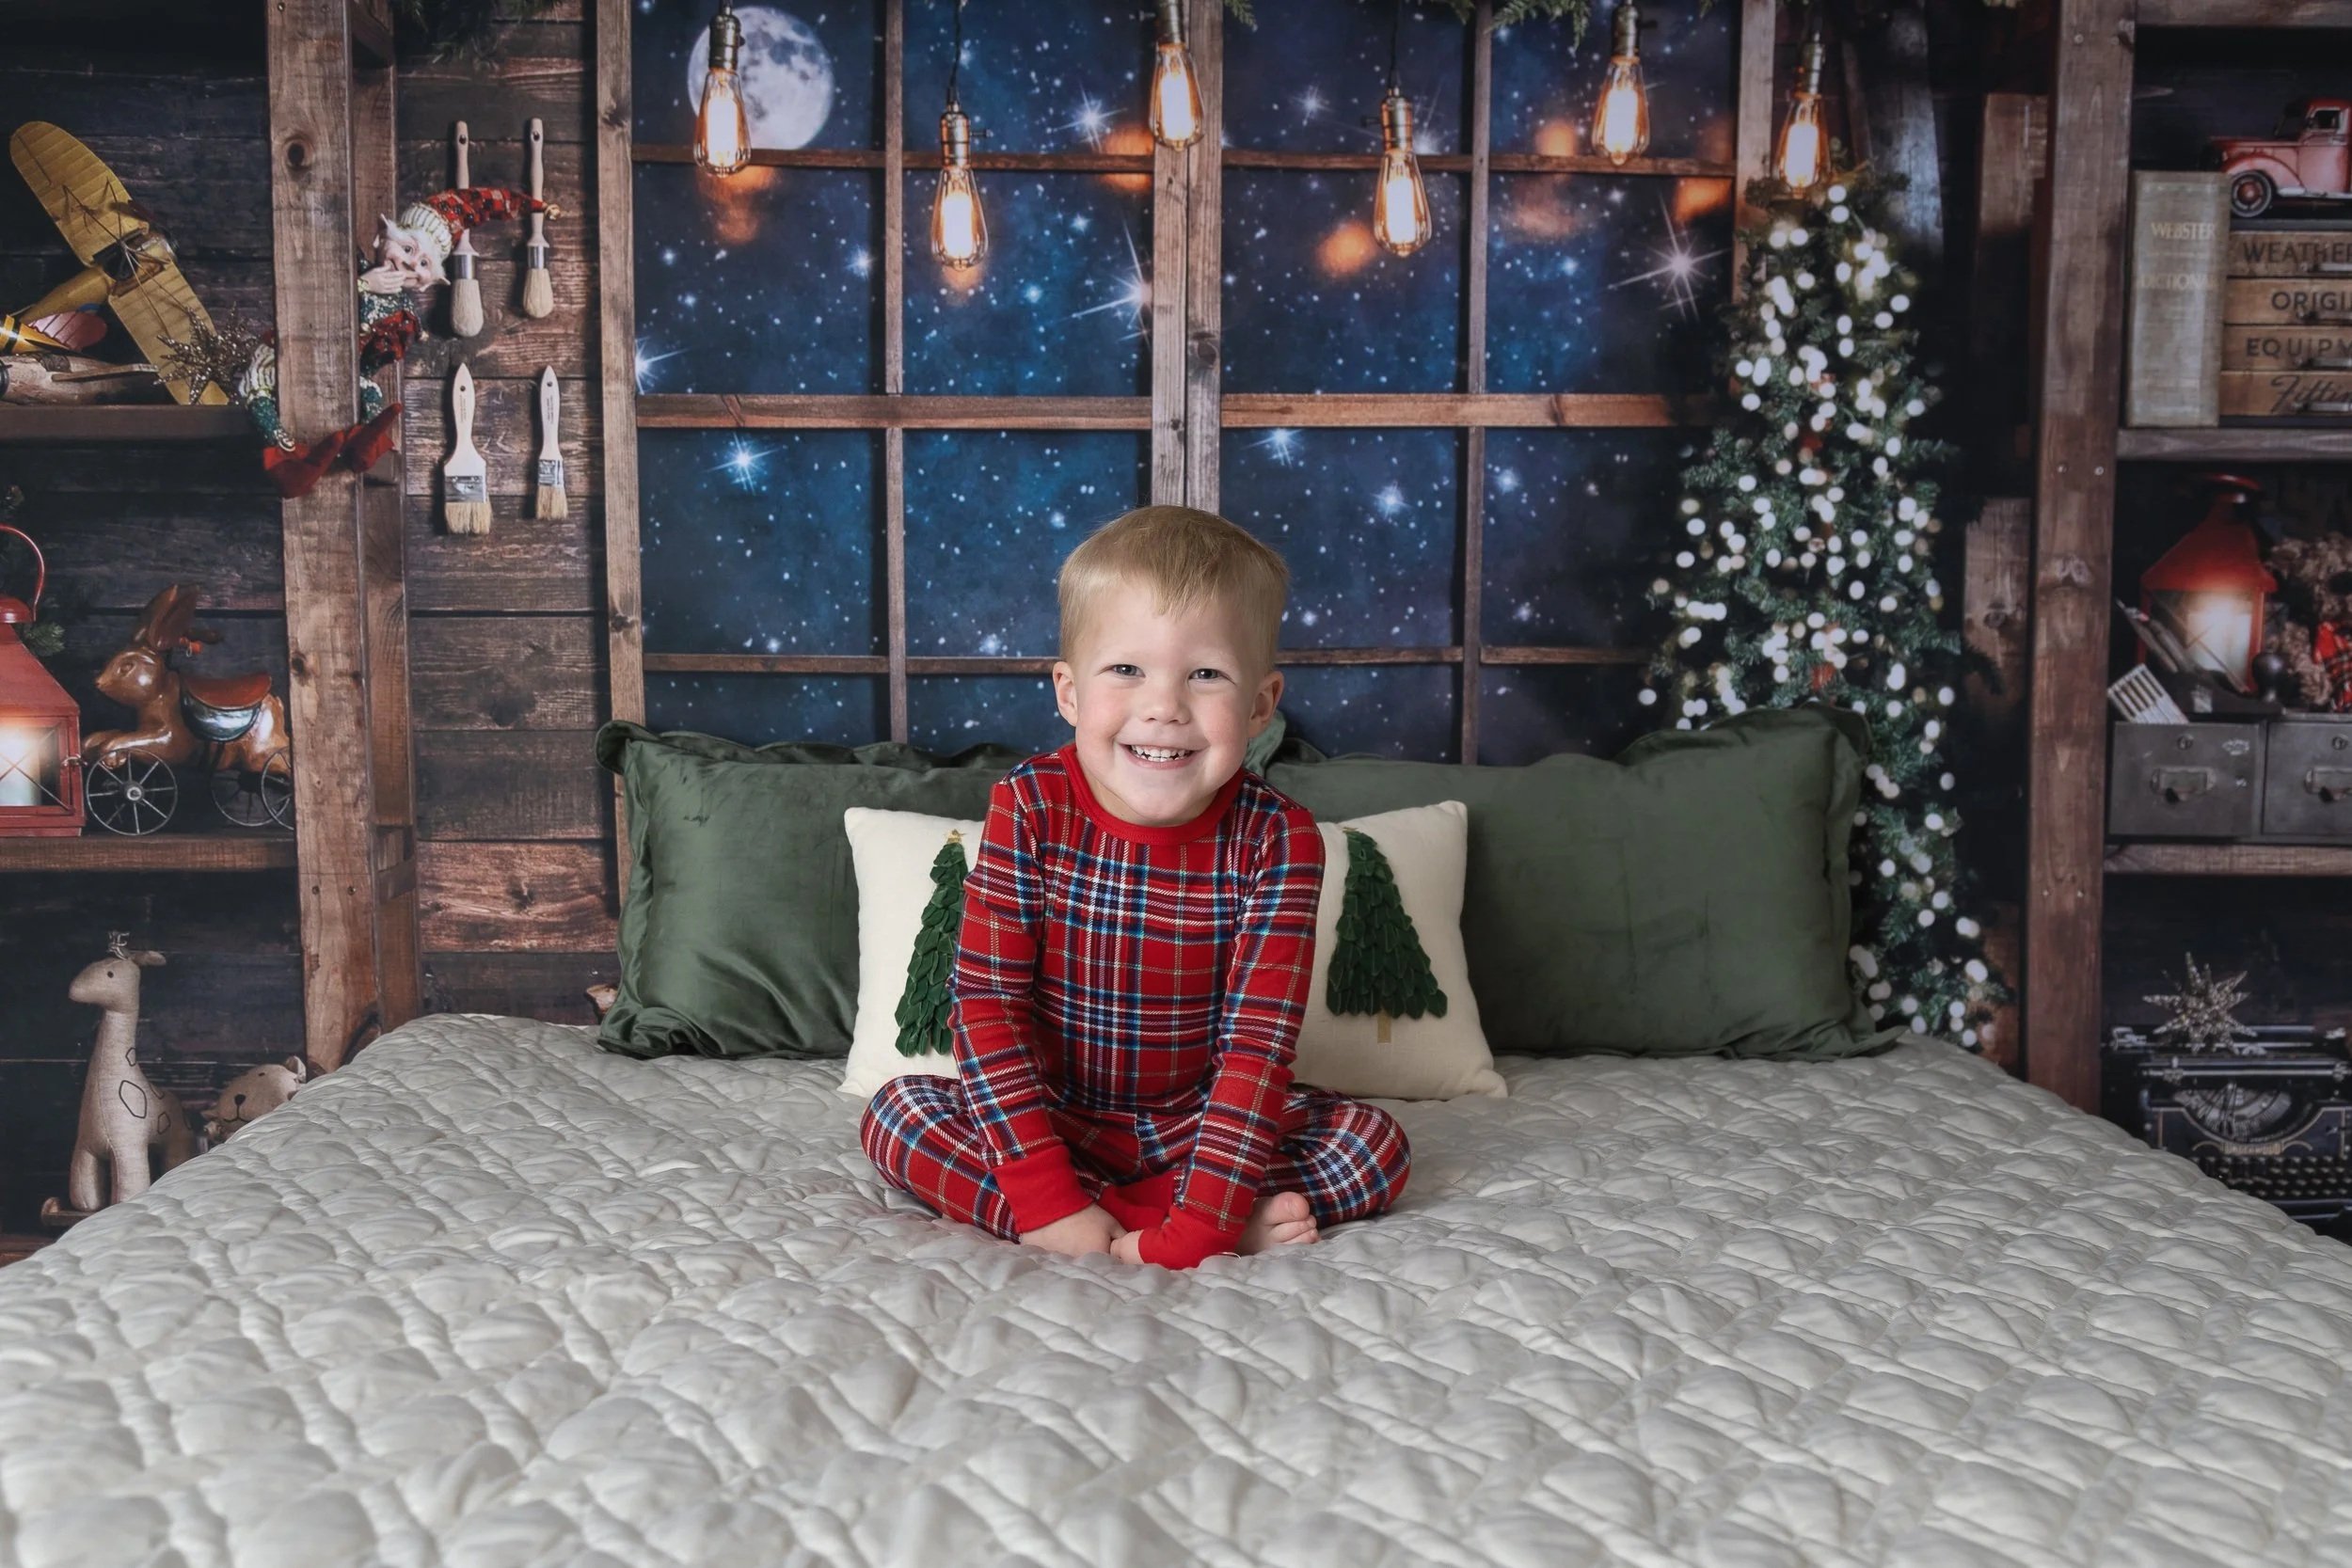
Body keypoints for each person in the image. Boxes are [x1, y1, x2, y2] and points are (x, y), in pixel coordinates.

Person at [862, 505, 1411, 1270]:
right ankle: (1076, 1215)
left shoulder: (1278, 839)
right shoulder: (1029, 807)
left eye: (1206, 674)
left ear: (1259, 706)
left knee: (1375, 1147)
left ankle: (1172, 1213)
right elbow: (987, 1011)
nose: (1164, 705)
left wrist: (1197, 1233)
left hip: (1195, 1122)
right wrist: (1047, 1197)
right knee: (898, 1116)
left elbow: (1257, 1050)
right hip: (1052, 1116)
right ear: (1069, 691)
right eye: (1126, 668)